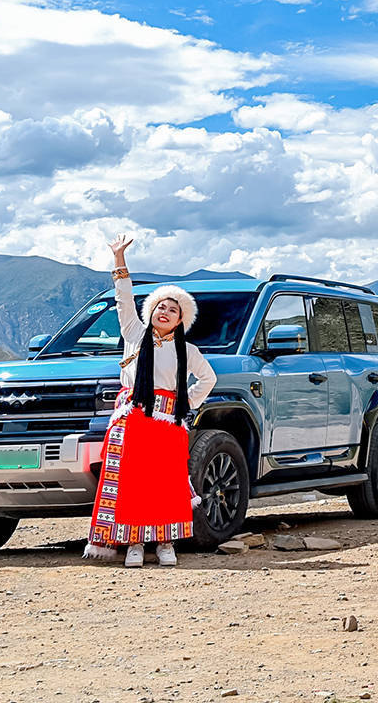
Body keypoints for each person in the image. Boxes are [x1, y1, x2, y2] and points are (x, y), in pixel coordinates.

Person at [82, 234, 215, 568]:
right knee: (133, 484)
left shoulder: (188, 351)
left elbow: (208, 379)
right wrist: (119, 260)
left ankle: (165, 543)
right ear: (151, 311)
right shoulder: (133, 333)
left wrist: (185, 404)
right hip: (134, 419)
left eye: (173, 309)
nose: (165, 312)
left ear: (181, 319)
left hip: (168, 423)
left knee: (165, 483)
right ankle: (134, 543)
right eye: (160, 307)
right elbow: (123, 298)